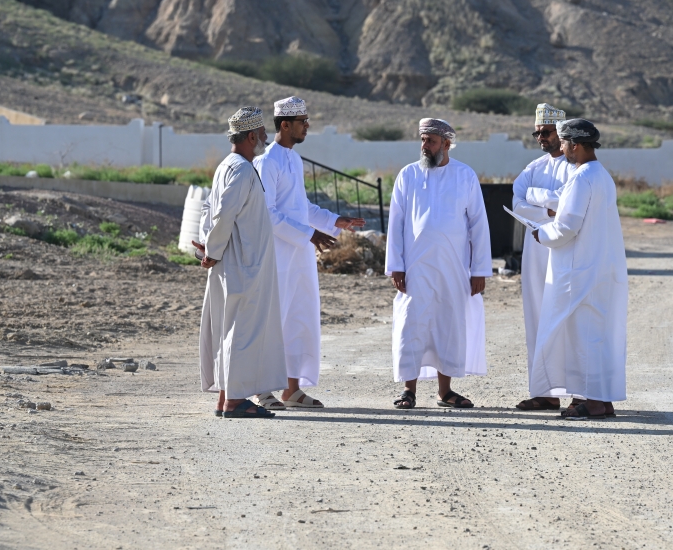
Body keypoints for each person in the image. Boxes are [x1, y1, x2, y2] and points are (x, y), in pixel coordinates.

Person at [253, 96, 365, 410]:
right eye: (302, 121)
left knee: (299, 319)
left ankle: (292, 389)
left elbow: (302, 208)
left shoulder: (294, 159)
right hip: (276, 257)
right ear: (284, 125)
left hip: (299, 256)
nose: (307, 126)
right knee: (274, 320)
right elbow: (269, 213)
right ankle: (262, 390)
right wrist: (310, 234)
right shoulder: (267, 161)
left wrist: (333, 221)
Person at [386, 118, 492, 409]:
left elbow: (478, 226)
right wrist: (396, 265)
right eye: (422, 140)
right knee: (412, 325)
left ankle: (445, 391)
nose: (424, 146)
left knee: (448, 324)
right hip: (415, 268)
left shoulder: (465, 176)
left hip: (453, 267)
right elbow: (395, 224)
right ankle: (409, 390)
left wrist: (480, 270)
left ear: (446, 143)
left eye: (430, 140)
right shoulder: (407, 175)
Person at [530, 119, 628, 420]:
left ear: (574, 144)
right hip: (598, 270)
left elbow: (567, 226)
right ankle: (601, 398)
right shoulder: (601, 175)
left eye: (564, 143)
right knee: (597, 336)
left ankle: (593, 402)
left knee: (583, 338)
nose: (561, 148)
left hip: (580, 273)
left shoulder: (582, 176)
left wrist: (541, 233)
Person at [197, 107, 286, 419]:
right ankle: (235, 401)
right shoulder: (243, 169)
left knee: (232, 331)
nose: (264, 138)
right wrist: (212, 251)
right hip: (242, 265)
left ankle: (226, 398)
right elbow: (223, 214)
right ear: (251, 136)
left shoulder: (228, 165)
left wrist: (208, 247)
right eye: (261, 133)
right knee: (242, 333)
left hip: (237, 263)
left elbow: (210, 210)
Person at [512, 104, 572, 411]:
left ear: (560, 133)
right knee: (536, 317)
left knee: (569, 319)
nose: (540, 138)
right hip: (535, 254)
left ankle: (581, 393)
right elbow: (516, 200)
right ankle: (544, 392)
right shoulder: (533, 167)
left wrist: (541, 201)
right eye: (537, 132)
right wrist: (547, 208)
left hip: (566, 252)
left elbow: (567, 204)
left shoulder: (577, 167)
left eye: (545, 132)